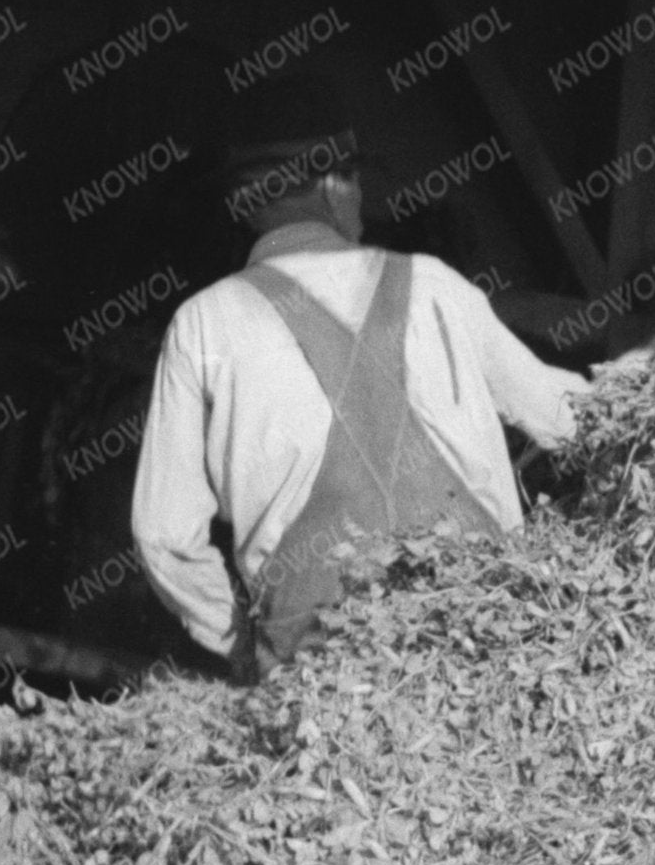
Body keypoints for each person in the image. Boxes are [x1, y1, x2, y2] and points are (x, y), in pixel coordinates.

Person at [128, 131, 614, 671]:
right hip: (487, 636)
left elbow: (164, 535)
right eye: (355, 179)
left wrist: (244, 645)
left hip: (317, 673)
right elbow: (569, 419)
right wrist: (632, 390)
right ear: (336, 185)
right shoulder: (433, 284)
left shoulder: (204, 321)